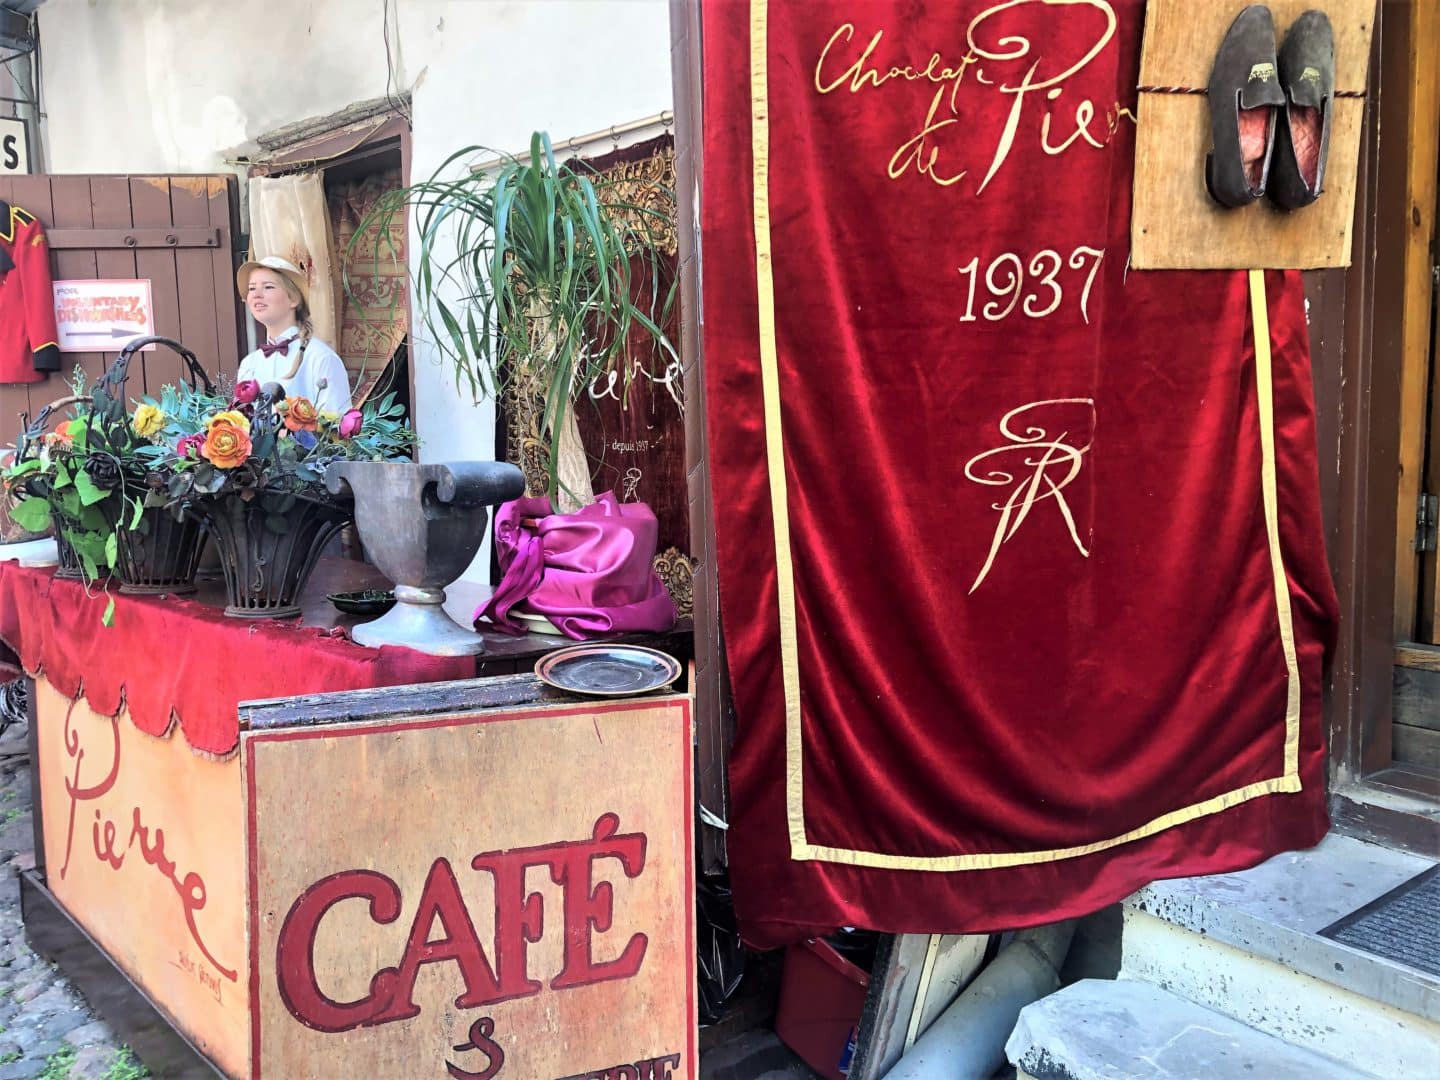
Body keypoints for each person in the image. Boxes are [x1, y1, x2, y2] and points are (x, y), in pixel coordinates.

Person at [235, 255, 351, 414]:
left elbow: (336, 427)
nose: (256, 295)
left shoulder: (320, 358)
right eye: (252, 288)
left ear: (294, 299)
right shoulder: (249, 364)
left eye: (268, 287)